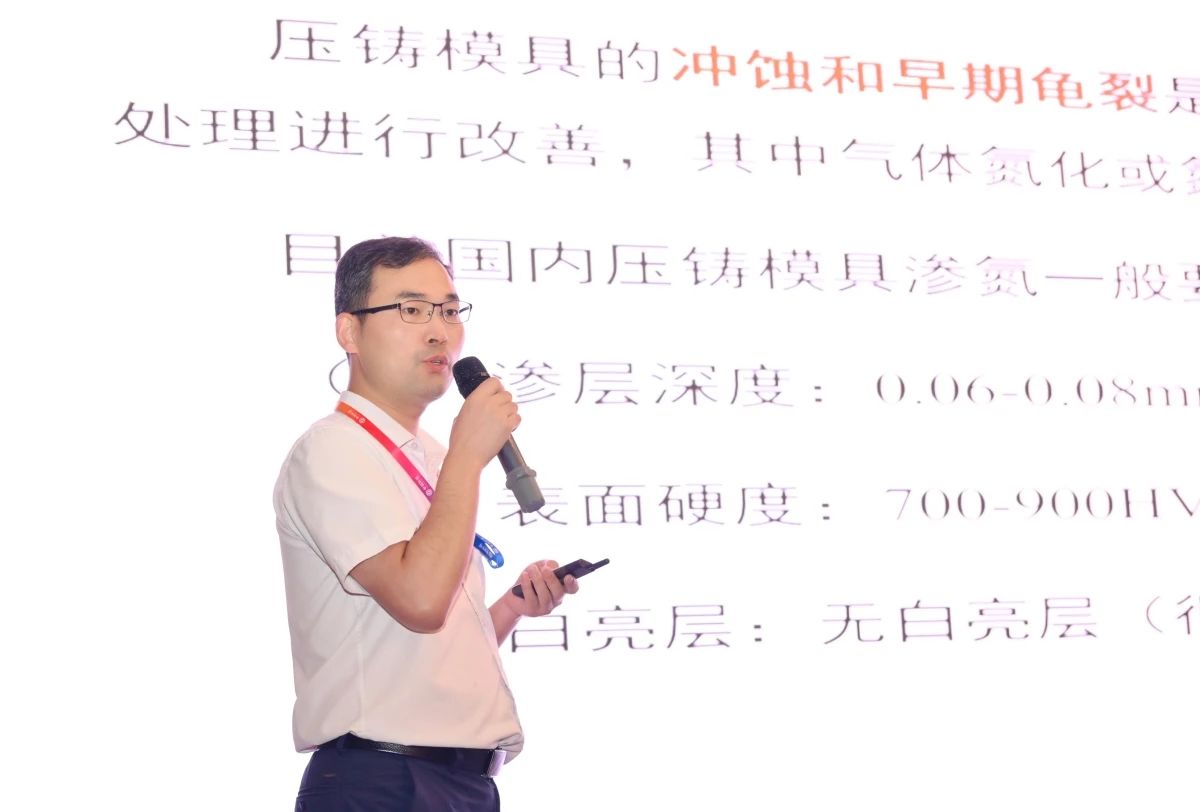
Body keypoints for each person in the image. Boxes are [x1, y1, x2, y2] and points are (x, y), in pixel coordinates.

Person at [274, 236, 578, 811]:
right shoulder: (333, 450)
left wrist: (511, 606)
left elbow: (423, 645)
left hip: (462, 782)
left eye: (450, 310)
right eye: (412, 310)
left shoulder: (433, 455)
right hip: (382, 780)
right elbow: (419, 599)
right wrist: (469, 454)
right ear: (349, 331)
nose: (440, 332)